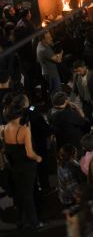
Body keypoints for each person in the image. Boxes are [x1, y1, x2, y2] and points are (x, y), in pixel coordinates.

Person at [2, 94, 44, 230]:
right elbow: (30, 153)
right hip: (26, 167)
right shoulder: (24, 130)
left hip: (13, 166)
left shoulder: (4, 128)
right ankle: (34, 222)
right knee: (28, 195)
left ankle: (20, 220)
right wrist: (38, 158)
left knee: (18, 194)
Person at [36, 29, 63, 95]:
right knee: (57, 91)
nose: (51, 38)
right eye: (48, 38)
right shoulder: (44, 50)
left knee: (53, 90)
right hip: (51, 73)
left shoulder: (40, 44)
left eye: (50, 36)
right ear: (43, 40)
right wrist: (61, 52)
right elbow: (58, 60)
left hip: (46, 71)